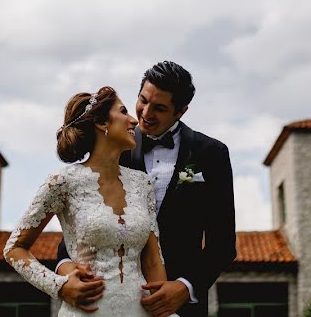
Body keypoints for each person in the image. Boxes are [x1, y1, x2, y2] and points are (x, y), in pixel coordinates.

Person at [56, 61, 236, 317]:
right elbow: (79, 225)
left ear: (181, 111)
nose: (146, 113)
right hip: (107, 302)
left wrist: (186, 287)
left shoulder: (212, 154)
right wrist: (66, 272)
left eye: (160, 108)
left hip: (180, 306)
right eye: (143, 100)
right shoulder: (114, 147)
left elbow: (223, 244)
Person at [4, 86, 179, 317]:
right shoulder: (62, 182)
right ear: (102, 123)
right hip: (88, 311)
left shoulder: (142, 184)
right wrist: (59, 286)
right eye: (124, 111)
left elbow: (153, 260)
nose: (134, 120)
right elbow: (14, 249)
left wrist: (162, 310)